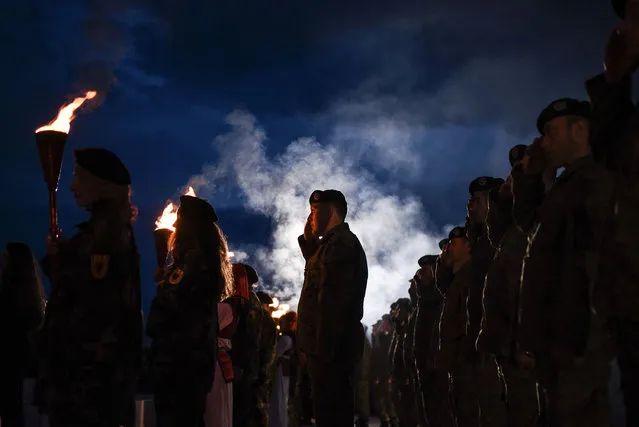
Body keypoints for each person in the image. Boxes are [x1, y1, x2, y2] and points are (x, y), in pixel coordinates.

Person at [516, 98, 615, 426]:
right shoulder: (566, 185)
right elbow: (530, 228)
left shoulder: (595, 183)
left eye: (550, 132)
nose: (544, 142)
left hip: (581, 343)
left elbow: (595, 270)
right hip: (559, 340)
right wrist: (531, 178)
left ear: (578, 130)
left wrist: (573, 339)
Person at [38, 148, 142, 427]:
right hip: (88, 385)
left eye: (78, 177)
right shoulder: (101, 231)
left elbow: (94, 310)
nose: (72, 186)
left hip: (88, 387)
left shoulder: (105, 235)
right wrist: (62, 257)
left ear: (100, 184)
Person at [147, 194, 234, 427]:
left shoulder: (193, 262)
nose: (174, 227)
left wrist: (164, 286)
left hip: (181, 361)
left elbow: (168, 308)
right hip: (191, 361)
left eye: (179, 221)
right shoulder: (203, 260)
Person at [297, 189, 368, 427]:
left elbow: (333, 302)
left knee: (333, 415)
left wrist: (321, 349)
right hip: (326, 349)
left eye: (315, 211)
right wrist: (309, 243)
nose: (311, 218)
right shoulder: (330, 245)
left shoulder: (342, 244)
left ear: (332, 211)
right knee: (327, 413)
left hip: (331, 350)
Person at [0, 243, 46, 427]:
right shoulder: (33, 301)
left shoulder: (7, 297)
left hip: (8, 366)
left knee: (12, 413)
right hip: (24, 369)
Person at [205, 263, 250, 427]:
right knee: (222, 409)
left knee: (214, 411)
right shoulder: (237, 310)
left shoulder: (223, 308)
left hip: (215, 365)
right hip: (225, 363)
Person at [269, 311, 298, 427]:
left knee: (280, 397)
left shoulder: (285, 339)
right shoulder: (291, 337)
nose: (280, 325)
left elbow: (277, 356)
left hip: (282, 371)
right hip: (285, 371)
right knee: (281, 397)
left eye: (282, 323)